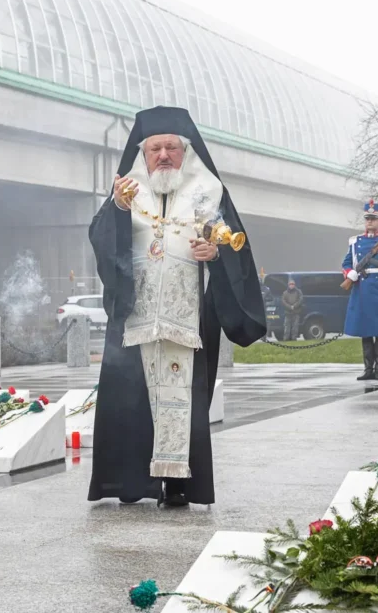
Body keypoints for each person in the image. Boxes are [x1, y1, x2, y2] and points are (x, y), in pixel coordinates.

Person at [87, 106, 266, 508]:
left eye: (172, 147)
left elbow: (236, 248)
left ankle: (179, 484)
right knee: (132, 400)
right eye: (155, 149)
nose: (164, 155)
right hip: (136, 320)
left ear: (186, 151)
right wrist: (117, 210)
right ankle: (133, 483)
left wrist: (215, 255)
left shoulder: (209, 191)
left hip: (188, 321)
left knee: (182, 401)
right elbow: (100, 240)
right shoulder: (125, 191)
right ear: (143, 153)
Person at [342, 200, 378, 381]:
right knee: (365, 330)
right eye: (367, 218)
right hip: (363, 290)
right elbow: (346, 263)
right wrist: (350, 273)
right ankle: (368, 369)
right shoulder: (355, 242)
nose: (370, 222)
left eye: (374, 219)